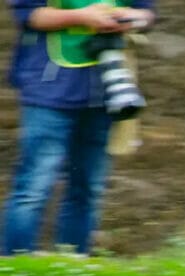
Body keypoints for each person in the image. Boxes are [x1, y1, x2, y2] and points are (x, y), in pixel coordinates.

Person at [3, 0, 156, 255]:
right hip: (49, 87)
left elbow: (147, 13)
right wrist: (80, 17)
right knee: (34, 187)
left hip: (104, 92)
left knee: (87, 189)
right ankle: (16, 268)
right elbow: (29, 13)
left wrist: (133, 18)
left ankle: (72, 267)